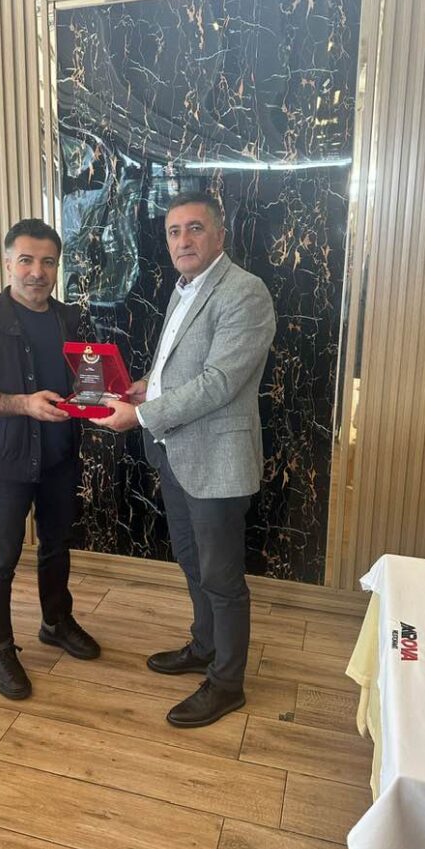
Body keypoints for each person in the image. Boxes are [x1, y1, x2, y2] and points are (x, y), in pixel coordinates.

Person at [92, 192, 275, 728]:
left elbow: (220, 381)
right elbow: (178, 366)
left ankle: (227, 684)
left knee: (222, 578)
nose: (183, 240)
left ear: (219, 235)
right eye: (174, 232)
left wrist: (141, 415)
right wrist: (144, 386)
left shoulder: (244, 291)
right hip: (176, 454)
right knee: (194, 563)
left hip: (217, 459)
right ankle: (204, 646)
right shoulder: (184, 288)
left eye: (195, 228)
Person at [0, 218, 100, 700]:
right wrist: (24, 404)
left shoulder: (71, 320)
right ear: (7, 263)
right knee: (0, 560)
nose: (37, 271)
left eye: (48, 262)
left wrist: (103, 393)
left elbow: (87, 381)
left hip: (60, 459)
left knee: (57, 545)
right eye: (26, 260)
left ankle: (55, 622)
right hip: (8, 463)